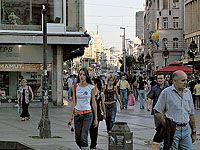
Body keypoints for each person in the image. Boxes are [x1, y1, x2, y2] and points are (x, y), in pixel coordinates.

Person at [154, 70, 196, 149]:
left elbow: (191, 114)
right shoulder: (166, 93)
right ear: (174, 81)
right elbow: (157, 112)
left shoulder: (188, 92)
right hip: (173, 130)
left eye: (186, 80)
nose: (185, 82)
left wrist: (194, 131)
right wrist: (168, 126)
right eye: (183, 80)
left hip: (185, 130)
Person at [68, 68, 98, 150]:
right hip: (77, 115)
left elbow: (94, 103)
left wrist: (96, 118)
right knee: (78, 139)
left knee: (83, 138)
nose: (81, 76)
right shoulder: (75, 87)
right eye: (80, 74)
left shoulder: (91, 87)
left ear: (86, 76)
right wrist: (70, 117)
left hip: (87, 115)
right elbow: (73, 102)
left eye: (84, 74)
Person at [89, 76, 105, 150]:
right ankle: (92, 142)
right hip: (89, 111)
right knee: (90, 128)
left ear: (95, 84)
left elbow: (102, 104)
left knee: (95, 128)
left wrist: (104, 113)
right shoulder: (89, 92)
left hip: (97, 112)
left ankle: (93, 144)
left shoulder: (100, 94)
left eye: (92, 82)